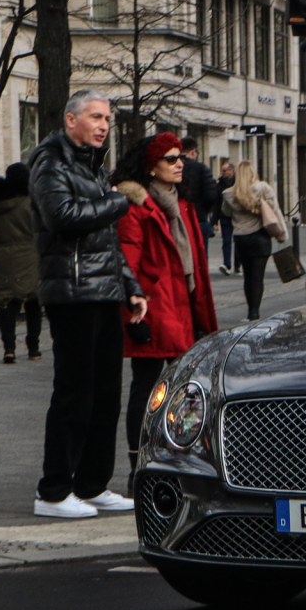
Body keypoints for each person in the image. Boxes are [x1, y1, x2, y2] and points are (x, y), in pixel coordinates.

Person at [29, 89, 148, 519]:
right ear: (70, 120)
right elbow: (62, 217)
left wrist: (130, 286)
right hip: (72, 293)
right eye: (96, 117)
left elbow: (108, 243)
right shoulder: (50, 162)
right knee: (74, 393)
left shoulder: (91, 166)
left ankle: (92, 484)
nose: (103, 125)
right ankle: (54, 491)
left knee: (105, 395)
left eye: (107, 119)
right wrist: (119, 200)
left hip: (102, 291)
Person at [113, 133, 219, 495]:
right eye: (170, 158)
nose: (179, 163)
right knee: (146, 389)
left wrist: (203, 314)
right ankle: (137, 467)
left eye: (181, 158)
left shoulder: (183, 204)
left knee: (186, 391)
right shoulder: (136, 206)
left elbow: (197, 267)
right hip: (154, 313)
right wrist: (133, 312)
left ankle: (178, 461)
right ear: (150, 166)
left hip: (183, 309)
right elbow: (128, 265)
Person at [0, 163, 41, 364]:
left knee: (6, 303)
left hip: (3, 256)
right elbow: (39, 231)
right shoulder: (30, 203)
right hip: (29, 255)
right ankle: (33, 347)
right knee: (33, 302)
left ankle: (9, 349)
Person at [221, 159, 280, 321]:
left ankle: (250, 311)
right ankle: (255, 311)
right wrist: (281, 234)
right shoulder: (263, 189)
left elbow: (225, 212)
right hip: (260, 236)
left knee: (248, 275)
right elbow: (275, 211)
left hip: (241, 238)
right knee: (258, 276)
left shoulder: (229, 193)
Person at [179, 136, 220, 258]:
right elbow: (211, 195)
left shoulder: (173, 168)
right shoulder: (201, 169)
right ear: (193, 150)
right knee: (199, 257)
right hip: (198, 217)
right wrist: (204, 209)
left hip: (177, 217)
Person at [215, 161, 236, 275]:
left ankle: (237, 265)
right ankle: (227, 264)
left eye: (225, 170)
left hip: (237, 216)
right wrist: (214, 220)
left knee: (238, 241)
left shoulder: (237, 183)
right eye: (222, 170)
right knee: (226, 241)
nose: (222, 173)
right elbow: (216, 203)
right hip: (224, 216)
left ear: (231, 171)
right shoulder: (220, 184)